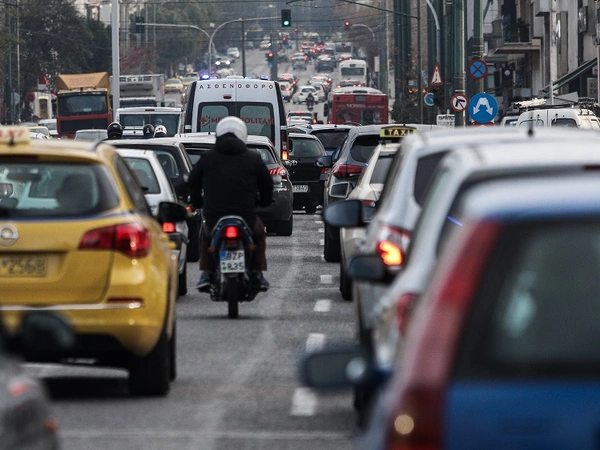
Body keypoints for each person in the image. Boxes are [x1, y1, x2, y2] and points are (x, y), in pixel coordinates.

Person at [188, 116, 273, 292]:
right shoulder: (253, 158)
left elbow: (193, 182)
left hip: (215, 215)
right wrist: (263, 201)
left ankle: (207, 273)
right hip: (246, 215)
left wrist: (198, 202)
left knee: (207, 236)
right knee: (259, 234)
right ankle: (257, 272)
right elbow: (267, 183)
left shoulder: (207, 158)